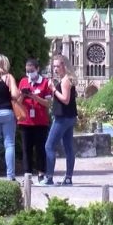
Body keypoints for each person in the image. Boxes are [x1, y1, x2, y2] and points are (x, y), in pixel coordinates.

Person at [44, 54, 78, 186]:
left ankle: (49, 177)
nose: (55, 69)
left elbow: (65, 99)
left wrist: (53, 89)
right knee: (68, 147)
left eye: (57, 66)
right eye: (54, 66)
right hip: (69, 117)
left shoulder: (65, 80)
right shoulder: (66, 79)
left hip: (63, 118)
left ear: (64, 66)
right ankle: (68, 178)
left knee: (49, 146)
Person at [17, 59, 53, 185]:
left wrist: (33, 96)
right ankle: (27, 174)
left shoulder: (45, 83)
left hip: (40, 121)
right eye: (27, 71)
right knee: (26, 149)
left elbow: (48, 103)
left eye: (32, 71)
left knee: (40, 149)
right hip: (26, 122)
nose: (29, 73)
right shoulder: (23, 81)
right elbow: (18, 102)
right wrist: (23, 94)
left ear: (37, 69)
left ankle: (41, 173)